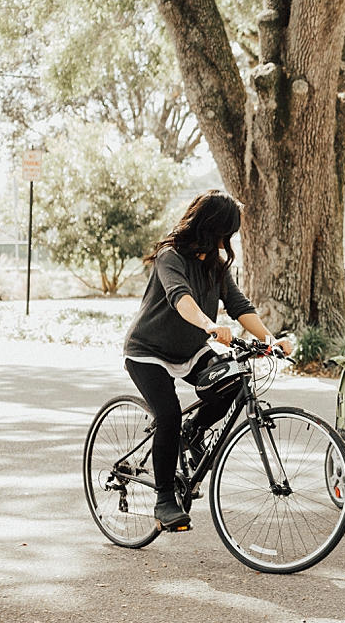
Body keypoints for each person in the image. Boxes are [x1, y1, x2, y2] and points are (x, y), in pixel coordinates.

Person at [122, 190, 293, 532]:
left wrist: (270, 340)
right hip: (147, 352)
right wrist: (209, 325)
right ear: (209, 227)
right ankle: (164, 500)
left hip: (190, 350)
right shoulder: (170, 256)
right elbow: (180, 297)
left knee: (232, 379)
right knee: (168, 415)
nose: (226, 240)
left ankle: (194, 430)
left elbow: (240, 306)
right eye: (224, 232)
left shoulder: (215, 265)